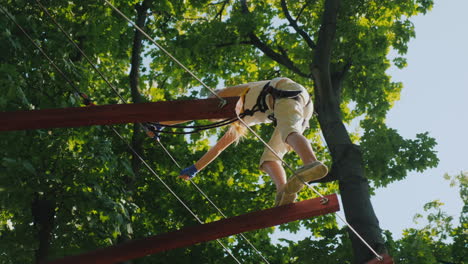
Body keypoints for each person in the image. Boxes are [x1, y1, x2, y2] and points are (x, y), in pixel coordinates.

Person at [177, 77, 328, 206]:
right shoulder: (239, 122)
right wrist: (195, 168)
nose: (214, 117)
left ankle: (311, 163)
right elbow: (218, 148)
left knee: (288, 131)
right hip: (296, 105)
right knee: (269, 159)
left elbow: (192, 112)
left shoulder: (225, 94)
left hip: (285, 92)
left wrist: (158, 123)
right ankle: (283, 191)